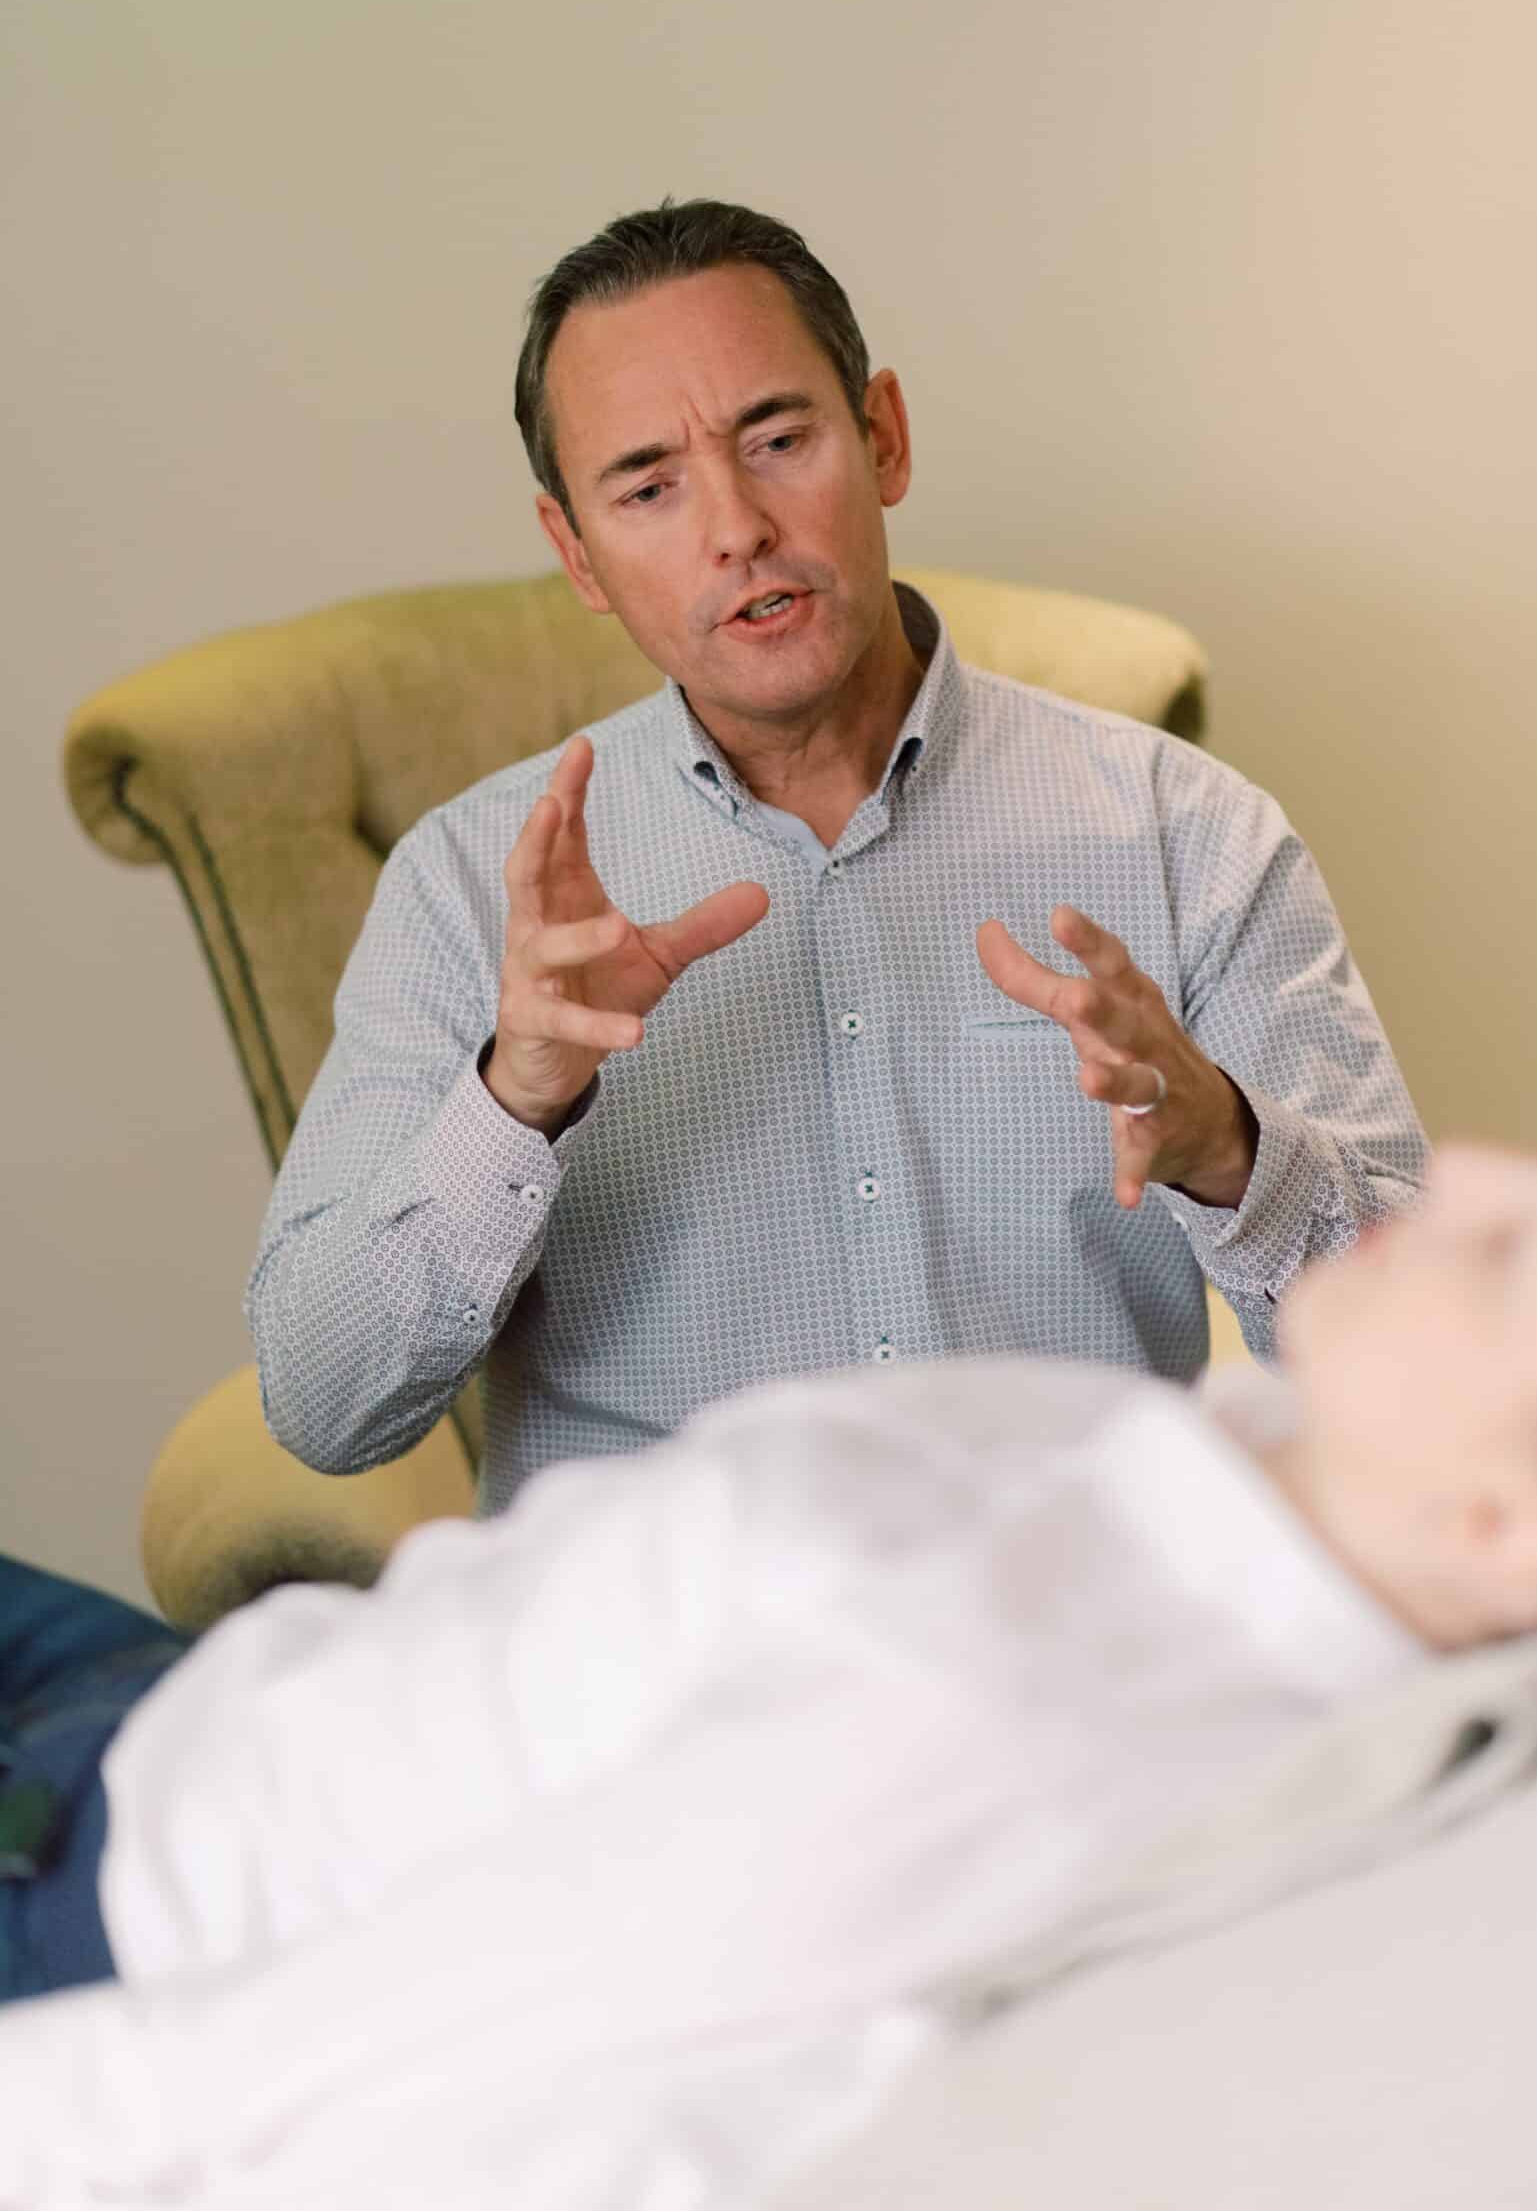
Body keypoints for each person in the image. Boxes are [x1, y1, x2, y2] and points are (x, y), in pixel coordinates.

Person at [2, 1125, 1537, 2211]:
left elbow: (354, 2045)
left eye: (1518, 1252)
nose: (1455, 1172)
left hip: (91, 1901)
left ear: (1500, 1529)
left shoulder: (1015, 1717)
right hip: (196, 1713)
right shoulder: (1231, 1460)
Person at [244, 199, 1427, 1506]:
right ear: (575, 553)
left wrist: (1226, 1147)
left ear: (882, 440)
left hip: (1067, 1645)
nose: (736, 527)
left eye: (779, 438)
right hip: (668, 1671)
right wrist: (515, 1094)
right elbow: (321, 1401)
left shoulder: (1179, 830)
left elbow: (1420, 1356)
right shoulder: (470, 885)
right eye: (648, 486)